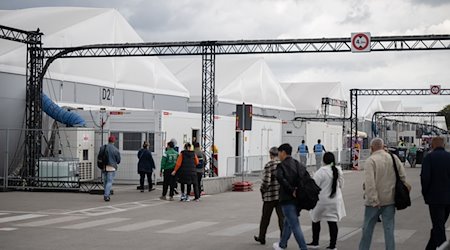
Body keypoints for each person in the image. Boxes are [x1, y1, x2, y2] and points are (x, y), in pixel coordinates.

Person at [359, 138, 408, 250]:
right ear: (382, 146)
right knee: (389, 229)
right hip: (390, 200)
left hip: (373, 203)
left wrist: (373, 199)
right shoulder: (393, 158)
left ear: (372, 148)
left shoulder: (371, 161)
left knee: (367, 230)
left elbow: (370, 183)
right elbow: (403, 177)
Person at [307, 152, 346, 250]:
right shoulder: (338, 170)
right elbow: (341, 185)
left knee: (315, 219)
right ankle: (332, 245)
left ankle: (315, 242)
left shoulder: (321, 171)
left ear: (324, 160)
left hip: (322, 200)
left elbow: (314, 186)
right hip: (335, 200)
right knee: (332, 222)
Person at [273, 143, 308, 250]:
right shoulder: (297, 164)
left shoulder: (281, 166)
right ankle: (282, 244)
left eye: (279, 152)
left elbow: (280, 178)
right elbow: (305, 177)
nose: (278, 155)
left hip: (287, 200)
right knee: (287, 223)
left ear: (283, 152)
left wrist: (291, 189)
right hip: (297, 200)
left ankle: (303, 248)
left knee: (294, 225)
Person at [421, 137, 450, 250]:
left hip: (435, 198)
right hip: (448, 198)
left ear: (432, 145)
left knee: (438, 226)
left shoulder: (429, 157)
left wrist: (425, 193)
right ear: (443, 145)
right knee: (439, 225)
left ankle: (444, 247)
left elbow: (425, 178)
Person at [254, 147, 284, 245]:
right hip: (280, 196)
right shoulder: (282, 165)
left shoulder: (269, 165)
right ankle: (283, 240)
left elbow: (266, 181)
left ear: (270, 154)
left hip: (270, 197)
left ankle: (262, 237)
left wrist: (262, 190)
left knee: (265, 218)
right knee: (282, 219)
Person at [100, 135, 121, 202]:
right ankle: (106, 195)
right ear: (114, 141)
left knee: (105, 181)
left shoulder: (103, 147)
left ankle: (106, 192)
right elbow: (118, 160)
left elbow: (100, 156)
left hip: (104, 166)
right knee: (109, 181)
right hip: (111, 167)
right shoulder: (115, 149)